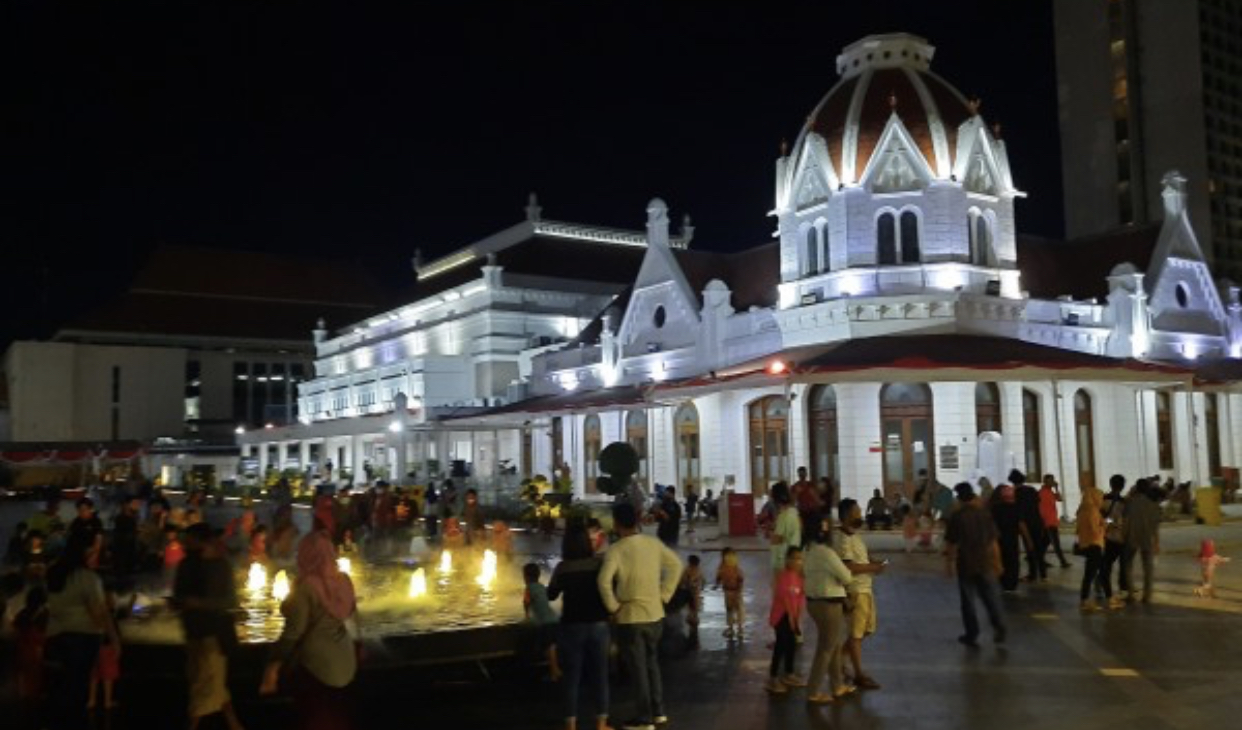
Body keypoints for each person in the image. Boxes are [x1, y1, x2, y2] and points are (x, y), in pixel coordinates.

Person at [260, 531, 358, 730]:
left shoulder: (306, 587)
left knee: (315, 716)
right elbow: (353, 616)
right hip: (346, 660)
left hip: (316, 666)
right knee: (338, 714)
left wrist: (272, 667)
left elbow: (292, 633)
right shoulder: (344, 580)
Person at [597, 502, 683, 730]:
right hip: (655, 614)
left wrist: (613, 607)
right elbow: (676, 565)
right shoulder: (652, 543)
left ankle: (644, 718)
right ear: (635, 521)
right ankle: (658, 712)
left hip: (630, 617)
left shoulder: (616, 550)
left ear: (616, 523)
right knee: (652, 664)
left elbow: (603, 581)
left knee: (638, 668)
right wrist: (664, 594)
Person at [45, 531, 117, 730]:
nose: (98, 554)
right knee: (77, 690)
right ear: (84, 552)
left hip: (55, 636)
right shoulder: (88, 578)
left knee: (60, 688)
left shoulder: (54, 573)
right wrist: (113, 638)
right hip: (83, 638)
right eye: (94, 549)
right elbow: (99, 614)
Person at [175, 524, 244, 730]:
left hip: (213, 634)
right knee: (210, 682)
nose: (185, 544)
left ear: (203, 541)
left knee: (203, 685)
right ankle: (234, 724)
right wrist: (180, 602)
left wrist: (198, 603)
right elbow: (180, 593)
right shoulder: (187, 565)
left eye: (190, 540)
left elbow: (230, 601)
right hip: (195, 632)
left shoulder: (220, 566)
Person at [548, 523, 612, 730]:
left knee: (571, 677)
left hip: (572, 626)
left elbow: (551, 594)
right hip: (598, 624)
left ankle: (571, 725)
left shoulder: (562, 568)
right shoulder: (598, 564)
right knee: (600, 675)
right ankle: (601, 723)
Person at [944, 483, 1006, 646]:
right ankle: (999, 626)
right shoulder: (984, 514)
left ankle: (972, 633)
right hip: (985, 561)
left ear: (958, 498)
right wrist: (998, 562)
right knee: (990, 597)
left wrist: (949, 563)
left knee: (968, 601)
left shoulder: (957, 516)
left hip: (966, 562)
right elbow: (993, 541)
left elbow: (951, 542)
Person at [834, 498, 884, 690]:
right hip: (855, 590)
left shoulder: (854, 536)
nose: (860, 514)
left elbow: (861, 558)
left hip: (865, 588)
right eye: (856, 511)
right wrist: (872, 566)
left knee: (865, 631)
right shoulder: (842, 539)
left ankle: (839, 658)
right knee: (856, 634)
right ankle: (858, 673)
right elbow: (847, 566)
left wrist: (874, 562)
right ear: (847, 515)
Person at [803, 512, 853, 704]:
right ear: (823, 530)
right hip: (829, 604)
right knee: (826, 648)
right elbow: (847, 577)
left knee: (834, 644)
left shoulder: (808, 549)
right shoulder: (826, 553)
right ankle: (813, 691)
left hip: (814, 602)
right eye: (829, 526)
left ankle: (837, 685)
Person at [766, 546, 807, 694]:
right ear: (788, 560)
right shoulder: (783, 576)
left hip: (793, 617)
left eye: (800, 558)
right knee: (781, 646)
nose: (798, 561)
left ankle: (789, 674)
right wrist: (792, 618)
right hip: (781, 616)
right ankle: (773, 678)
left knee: (792, 644)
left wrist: (797, 617)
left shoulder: (800, 578)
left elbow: (801, 598)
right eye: (795, 558)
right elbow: (785, 598)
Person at [1075, 482, 1118, 612]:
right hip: (1094, 545)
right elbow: (1095, 530)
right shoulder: (1092, 511)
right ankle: (1085, 601)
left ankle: (1110, 598)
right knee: (1092, 574)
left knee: (1100, 573)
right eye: (1099, 497)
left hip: (1087, 544)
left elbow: (1079, 529)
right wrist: (1106, 526)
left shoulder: (1081, 510)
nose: (1101, 500)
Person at [1123, 479, 1162, 604]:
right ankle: (1147, 595)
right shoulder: (1154, 505)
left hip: (1132, 537)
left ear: (1136, 488)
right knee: (1148, 568)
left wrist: (1123, 536)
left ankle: (1131, 594)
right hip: (1148, 538)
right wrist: (1156, 542)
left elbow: (1125, 521)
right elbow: (1156, 527)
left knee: (1128, 565)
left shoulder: (1130, 503)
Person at [524, 562, 562, 681]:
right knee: (550, 646)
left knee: (549, 646)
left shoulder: (529, 588)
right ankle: (555, 670)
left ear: (526, 577)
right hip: (553, 619)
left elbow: (526, 602)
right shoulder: (541, 586)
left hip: (545, 622)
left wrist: (526, 616)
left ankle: (555, 672)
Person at [13, 586, 50, 703]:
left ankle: (23, 693)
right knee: (37, 674)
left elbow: (15, 627)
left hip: (22, 646)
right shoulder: (43, 614)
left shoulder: (23, 613)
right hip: (36, 647)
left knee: (24, 672)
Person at [87, 590, 122, 711]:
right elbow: (111, 632)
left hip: (94, 646)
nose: (115, 602)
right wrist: (117, 646)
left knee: (94, 675)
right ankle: (107, 702)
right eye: (113, 599)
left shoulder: (94, 612)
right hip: (107, 648)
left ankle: (91, 700)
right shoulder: (107, 614)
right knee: (108, 676)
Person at [1099, 475, 1131, 600]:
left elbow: (1101, 517)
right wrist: (1115, 522)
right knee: (1122, 564)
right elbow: (1124, 520)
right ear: (1122, 486)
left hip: (1107, 536)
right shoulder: (1124, 502)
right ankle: (1122, 587)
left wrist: (1108, 522)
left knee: (1107, 563)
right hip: (1121, 537)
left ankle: (1103, 585)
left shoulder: (1103, 499)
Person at [1010, 470, 1046, 583]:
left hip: (1026, 523)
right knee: (1039, 549)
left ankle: (1032, 575)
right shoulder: (1031, 490)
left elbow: (1018, 512)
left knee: (1030, 548)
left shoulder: (1016, 493)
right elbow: (1038, 504)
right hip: (1037, 521)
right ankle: (1044, 574)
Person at [990, 485, 1022, 591]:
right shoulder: (1016, 508)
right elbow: (1021, 524)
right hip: (1012, 538)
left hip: (1000, 538)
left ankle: (1004, 582)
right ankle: (1011, 583)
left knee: (1003, 559)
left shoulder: (994, 508)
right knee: (1012, 560)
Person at [1039, 474, 1071, 569]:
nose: (1051, 482)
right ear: (1045, 481)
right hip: (1048, 522)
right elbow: (1040, 508)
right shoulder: (1041, 493)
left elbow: (1060, 499)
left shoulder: (1050, 492)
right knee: (1056, 543)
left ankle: (1038, 559)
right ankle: (1063, 562)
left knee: (1045, 542)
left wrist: (1056, 488)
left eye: (1052, 480)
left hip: (1052, 520)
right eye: (1049, 480)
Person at [769, 482, 801, 574]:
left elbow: (778, 538)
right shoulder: (794, 512)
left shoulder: (783, 516)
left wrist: (771, 534)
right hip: (793, 557)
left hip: (783, 561)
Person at [715, 547, 745, 639]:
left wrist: (717, 582)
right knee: (734, 609)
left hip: (731, 591)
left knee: (732, 610)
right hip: (732, 591)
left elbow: (719, 578)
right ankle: (736, 629)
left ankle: (735, 629)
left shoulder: (726, 567)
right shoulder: (731, 567)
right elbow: (740, 579)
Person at [680, 555, 705, 648]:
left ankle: (692, 623)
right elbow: (703, 581)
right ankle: (693, 624)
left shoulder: (687, 570)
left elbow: (682, 581)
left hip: (691, 593)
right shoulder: (698, 570)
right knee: (694, 609)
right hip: (694, 594)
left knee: (692, 609)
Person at [791, 467, 822, 542]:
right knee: (803, 532)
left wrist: (813, 495)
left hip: (812, 512)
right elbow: (792, 501)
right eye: (800, 474)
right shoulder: (795, 486)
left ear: (806, 474)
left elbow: (817, 499)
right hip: (802, 512)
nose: (802, 476)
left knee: (813, 531)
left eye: (803, 474)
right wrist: (797, 493)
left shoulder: (811, 485)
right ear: (798, 475)